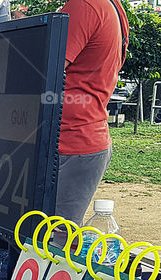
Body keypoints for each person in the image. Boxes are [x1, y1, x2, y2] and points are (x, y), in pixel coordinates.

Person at [54, 0, 129, 225]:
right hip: (82, 138)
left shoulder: (84, 5)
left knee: (50, 242)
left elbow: (43, 69)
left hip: (71, 141)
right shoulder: (110, 7)